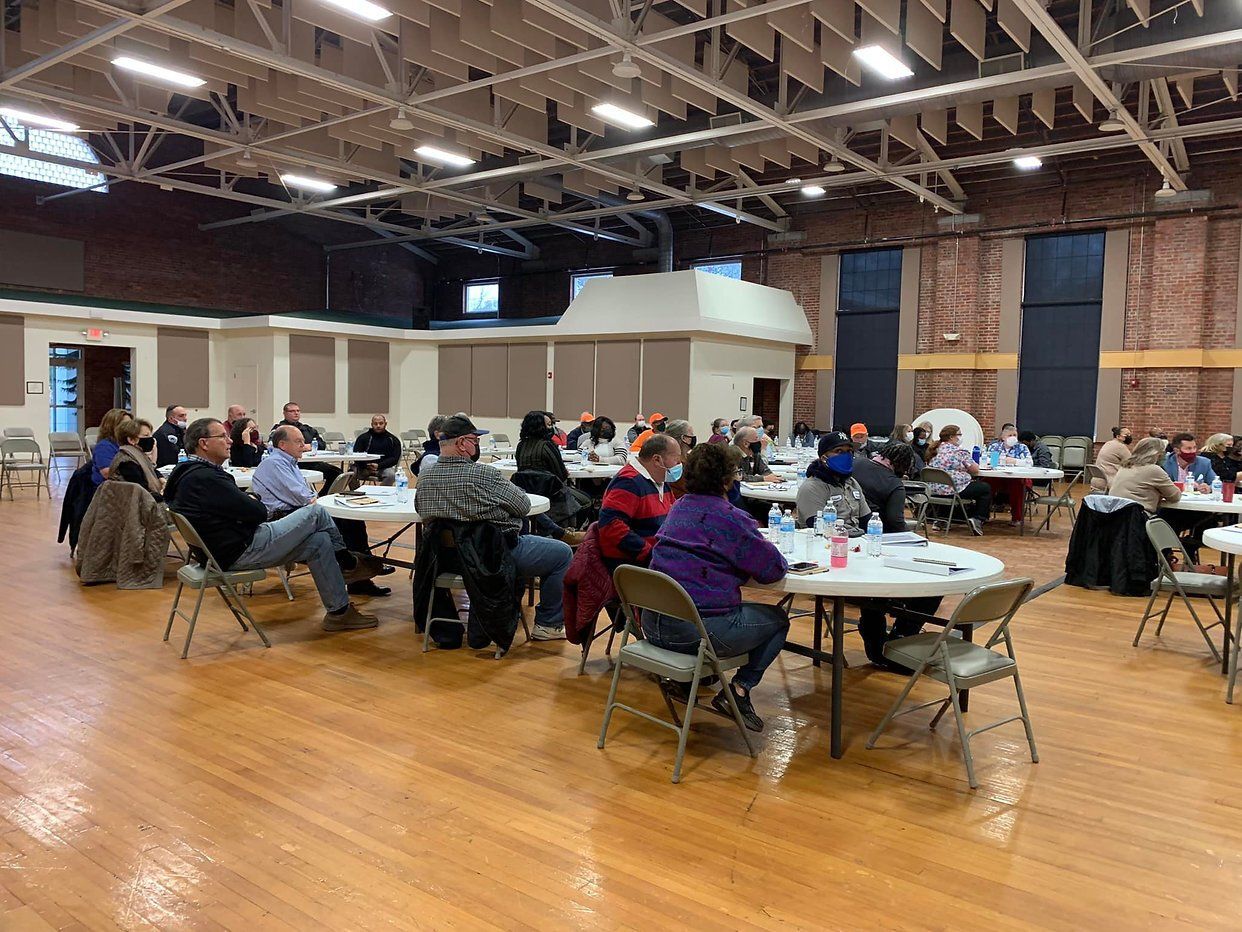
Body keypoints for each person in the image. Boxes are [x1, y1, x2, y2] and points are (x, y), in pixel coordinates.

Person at [165, 419, 378, 631]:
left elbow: (244, 507)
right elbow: (257, 512)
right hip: (240, 550)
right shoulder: (205, 478)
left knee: (320, 541)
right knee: (316, 512)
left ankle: (339, 613)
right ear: (204, 443)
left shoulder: (186, 473)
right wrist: (251, 503)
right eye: (222, 436)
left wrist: (249, 503)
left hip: (220, 550)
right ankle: (349, 564)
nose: (230, 440)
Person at [646, 442, 789, 731]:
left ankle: (690, 682)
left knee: (713, 606)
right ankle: (739, 690)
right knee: (777, 619)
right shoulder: (731, 519)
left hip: (651, 624)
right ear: (728, 479)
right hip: (696, 632)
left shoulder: (678, 508)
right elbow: (773, 570)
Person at [414, 415, 572, 640]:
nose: (477, 445)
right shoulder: (484, 475)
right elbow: (523, 505)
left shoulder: (425, 477)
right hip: (494, 557)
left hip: (446, 559)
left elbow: (421, 509)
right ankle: (548, 624)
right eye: (474, 441)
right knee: (562, 554)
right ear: (461, 444)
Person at [251, 425, 389, 596]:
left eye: (303, 441)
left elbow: (307, 494)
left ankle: (358, 570)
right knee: (343, 519)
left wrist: (313, 499)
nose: (304, 445)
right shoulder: (275, 463)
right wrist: (313, 500)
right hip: (281, 519)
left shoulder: (289, 462)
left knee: (350, 518)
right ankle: (354, 566)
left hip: (297, 511)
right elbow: (301, 497)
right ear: (282, 444)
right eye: (298, 441)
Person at [598, 433, 682, 570]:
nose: (679, 464)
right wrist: (650, 554)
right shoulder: (629, 482)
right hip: (634, 564)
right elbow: (610, 525)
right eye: (676, 459)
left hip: (658, 557)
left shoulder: (661, 481)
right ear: (657, 460)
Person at [795, 431, 871, 534]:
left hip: (858, 541)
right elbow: (820, 529)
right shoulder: (812, 488)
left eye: (849, 451)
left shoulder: (852, 483)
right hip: (826, 544)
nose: (846, 456)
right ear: (823, 458)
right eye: (839, 451)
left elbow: (867, 521)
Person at [927, 424, 990, 535]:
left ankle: (941, 520)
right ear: (951, 437)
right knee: (984, 488)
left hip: (935, 490)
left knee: (948, 486)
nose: (961, 437)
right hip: (954, 490)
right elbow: (975, 470)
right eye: (959, 434)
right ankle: (978, 519)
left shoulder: (934, 450)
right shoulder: (960, 452)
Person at [271, 401, 341, 488]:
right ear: (284, 413)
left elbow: (322, 444)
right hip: (290, 463)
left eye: (298, 411)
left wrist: (311, 446)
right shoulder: (279, 429)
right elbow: (275, 445)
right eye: (292, 411)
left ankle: (323, 495)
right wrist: (300, 447)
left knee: (337, 473)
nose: (296, 413)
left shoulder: (306, 428)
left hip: (311, 462)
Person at [852, 441, 914, 532]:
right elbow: (895, 521)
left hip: (847, 520)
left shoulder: (856, 462)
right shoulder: (895, 485)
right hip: (874, 529)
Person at [1109, 437, 1183, 513]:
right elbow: (1175, 497)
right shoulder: (1153, 470)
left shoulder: (1125, 467)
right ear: (1158, 454)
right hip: (1138, 518)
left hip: (1116, 517)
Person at [109, 418, 163, 500]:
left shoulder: (138, 455)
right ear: (131, 440)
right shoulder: (126, 462)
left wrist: (161, 479)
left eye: (151, 435)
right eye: (146, 436)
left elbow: (151, 469)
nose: (151, 439)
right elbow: (143, 492)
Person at [517, 410, 571, 481]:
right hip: (549, 489)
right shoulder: (547, 446)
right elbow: (561, 475)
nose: (551, 428)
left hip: (525, 489)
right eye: (549, 425)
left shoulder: (520, 446)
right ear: (540, 427)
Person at [353, 414, 402, 485]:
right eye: (375, 423)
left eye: (381, 423)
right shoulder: (362, 438)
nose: (378, 426)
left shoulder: (393, 440)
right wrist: (366, 466)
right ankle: (356, 493)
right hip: (363, 468)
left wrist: (379, 466)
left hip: (383, 468)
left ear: (385, 424)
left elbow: (395, 458)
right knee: (350, 474)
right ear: (371, 424)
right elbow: (356, 455)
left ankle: (381, 492)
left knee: (391, 475)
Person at [90, 408, 131, 486]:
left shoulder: (128, 444)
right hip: (108, 490)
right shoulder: (104, 446)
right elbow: (107, 473)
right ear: (112, 426)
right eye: (125, 425)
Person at [663, 420, 696, 498]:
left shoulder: (687, 460)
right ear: (684, 438)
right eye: (691, 434)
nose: (693, 437)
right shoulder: (676, 465)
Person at [154, 404, 187, 468]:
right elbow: (173, 456)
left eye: (185, 415)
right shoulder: (167, 433)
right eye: (181, 416)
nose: (185, 418)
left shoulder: (179, 430)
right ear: (171, 418)